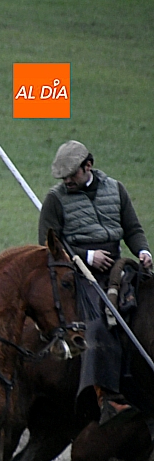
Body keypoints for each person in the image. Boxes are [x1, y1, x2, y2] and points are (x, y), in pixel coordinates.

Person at [39, 141, 153, 426]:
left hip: (117, 265)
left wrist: (143, 251)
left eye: (71, 175)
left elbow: (133, 229)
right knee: (97, 324)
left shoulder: (116, 189)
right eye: (63, 177)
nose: (66, 181)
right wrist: (87, 256)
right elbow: (47, 245)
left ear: (87, 166)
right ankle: (106, 397)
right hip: (78, 272)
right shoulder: (55, 200)